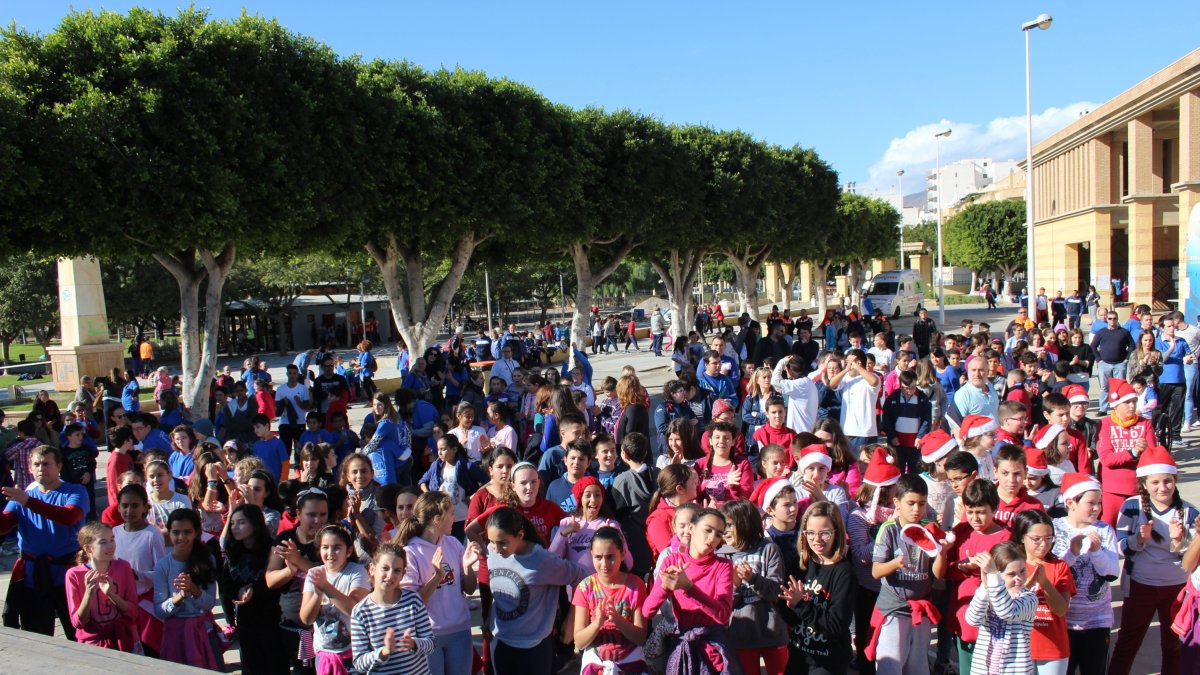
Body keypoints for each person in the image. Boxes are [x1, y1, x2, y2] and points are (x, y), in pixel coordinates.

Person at [1108, 448, 1199, 675]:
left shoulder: (1189, 511)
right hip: (1141, 586)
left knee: (1173, 645)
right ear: (1144, 484)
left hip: (1176, 588)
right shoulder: (1132, 506)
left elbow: (1191, 560)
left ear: (1175, 481)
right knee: (1128, 642)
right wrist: (1139, 539)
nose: (1162, 487)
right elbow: (1119, 547)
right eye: (1155, 482)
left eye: (1167, 481)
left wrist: (1181, 541)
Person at [485, 506, 587, 673]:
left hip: (533, 649)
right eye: (491, 541)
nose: (495, 549)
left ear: (520, 535)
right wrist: (489, 619)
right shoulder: (492, 551)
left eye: (502, 543)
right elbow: (496, 591)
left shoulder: (542, 560)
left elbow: (581, 578)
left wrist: (571, 622)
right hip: (500, 642)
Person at [0, 445, 87, 639]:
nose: (41, 469)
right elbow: (4, 525)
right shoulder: (22, 497)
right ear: (30, 468)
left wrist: (28, 502)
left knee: (79, 634)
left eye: (46, 464)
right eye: (37, 464)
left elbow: (69, 516)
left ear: (59, 466)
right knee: (37, 635)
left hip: (68, 574)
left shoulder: (75, 491)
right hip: (34, 576)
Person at [394, 491, 482, 675]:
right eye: (450, 513)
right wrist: (436, 577)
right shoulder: (411, 553)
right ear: (436, 519)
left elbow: (469, 588)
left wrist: (467, 568)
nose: (454, 518)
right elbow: (412, 604)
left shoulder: (453, 543)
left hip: (460, 630)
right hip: (427, 634)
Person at [643, 507, 737, 673]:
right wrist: (665, 587)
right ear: (692, 529)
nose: (712, 539)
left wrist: (689, 587)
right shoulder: (672, 560)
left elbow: (723, 615)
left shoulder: (722, 566)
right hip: (682, 646)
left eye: (718, 534)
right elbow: (647, 611)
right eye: (707, 530)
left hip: (713, 650)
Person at [867, 473, 939, 675]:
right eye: (911, 503)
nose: (917, 509)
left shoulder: (930, 529)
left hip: (921, 610)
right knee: (890, 667)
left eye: (922, 503)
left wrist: (944, 552)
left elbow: (938, 573)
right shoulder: (889, 530)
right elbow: (876, 571)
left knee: (918, 668)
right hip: (894, 610)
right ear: (897, 502)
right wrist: (895, 563)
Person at [1052, 473, 1119, 675]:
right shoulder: (1054, 528)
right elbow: (1053, 572)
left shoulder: (1104, 530)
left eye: (1099, 502)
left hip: (1097, 620)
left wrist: (1097, 552)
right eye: (1091, 503)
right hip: (1062, 620)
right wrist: (1072, 554)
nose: (1097, 508)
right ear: (1071, 502)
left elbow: (1112, 573)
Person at [718, 499, 788, 675]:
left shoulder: (768, 549)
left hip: (772, 631)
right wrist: (735, 586)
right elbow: (721, 604)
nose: (724, 531)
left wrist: (753, 578)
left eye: (729, 525)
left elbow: (776, 592)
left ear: (745, 524)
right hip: (740, 635)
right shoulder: (721, 555)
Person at [571, 526, 649, 673]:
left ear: (623, 554)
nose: (604, 564)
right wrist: (597, 623)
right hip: (596, 664)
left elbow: (640, 638)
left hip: (630, 662)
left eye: (610, 557)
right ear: (591, 555)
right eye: (598, 557)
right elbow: (579, 642)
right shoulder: (585, 587)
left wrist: (618, 620)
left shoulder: (635, 585)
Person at [351, 542, 436, 674]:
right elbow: (359, 663)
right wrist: (384, 652)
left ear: (403, 574)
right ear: (372, 569)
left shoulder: (413, 600)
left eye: (397, 570)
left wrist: (414, 643)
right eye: (385, 568)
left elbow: (430, 644)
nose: (390, 575)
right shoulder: (361, 612)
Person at [1010, 509, 1075, 675]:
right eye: (1036, 539)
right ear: (1022, 537)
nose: (1044, 544)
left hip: (1053, 648)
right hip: (1018, 647)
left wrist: (1045, 583)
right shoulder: (1011, 566)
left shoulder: (1060, 567)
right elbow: (1005, 606)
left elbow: (1060, 610)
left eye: (1049, 538)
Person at [153, 508, 220, 669]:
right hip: (174, 635)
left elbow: (209, 603)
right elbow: (160, 610)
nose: (181, 537)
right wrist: (179, 597)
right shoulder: (163, 566)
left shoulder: (207, 559)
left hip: (202, 632)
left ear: (196, 532)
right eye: (176, 532)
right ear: (169, 533)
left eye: (187, 532)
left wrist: (194, 590)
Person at [964, 541, 1039, 675]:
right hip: (983, 670)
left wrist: (993, 575)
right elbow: (972, 619)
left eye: (1022, 571)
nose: (1019, 578)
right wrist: (985, 586)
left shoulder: (1029, 598)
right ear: (998, 575)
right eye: (1011, 574)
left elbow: (1006, 611)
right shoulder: (990, 594)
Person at [66, 522, 139, 652]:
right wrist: (89, 593)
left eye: (112, 539)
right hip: (93, 644)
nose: (111, 546)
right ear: (88, 549)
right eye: (103, 542)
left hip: (125, 639)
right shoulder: (74, 575)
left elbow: (133, 613)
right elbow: (78, 623)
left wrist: (111, 594)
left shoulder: (123, 567)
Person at [1091, 311, 1135, 414]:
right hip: (1104, 364)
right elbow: (1093, 346)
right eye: (1110, 318)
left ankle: (1118, 406)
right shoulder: (1101, 332)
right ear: (1107, 319)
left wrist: (1126, 359)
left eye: (1114, 318)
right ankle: (1103, 408)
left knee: (1119, 386)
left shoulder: (1124, 332)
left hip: (1120, 364)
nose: (1112, 321)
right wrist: (1099, 360)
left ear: (1117, 319)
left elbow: (1132, 345)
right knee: (1104, 387)